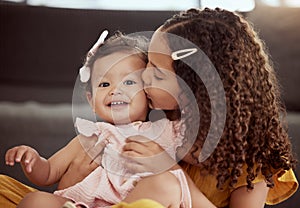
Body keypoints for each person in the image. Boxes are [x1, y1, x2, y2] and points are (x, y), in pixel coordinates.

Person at [120, 7, 299, 208]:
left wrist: (172, 173)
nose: (144, 76)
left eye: (158, 74)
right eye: (148, 63)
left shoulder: (250, 160)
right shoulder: (165, 123)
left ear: (197, 88)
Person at [6, 31, 192, 208]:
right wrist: (32, 161)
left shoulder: (166, 131)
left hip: (133, 203)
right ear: (91, 100)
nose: (115, 90)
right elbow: (47, 173)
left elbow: (198, 144)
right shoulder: (89, 136)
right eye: (104, 84)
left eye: (128, 82)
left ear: (148, 94)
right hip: (80, 204)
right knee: (35, 200)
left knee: (164, 184)